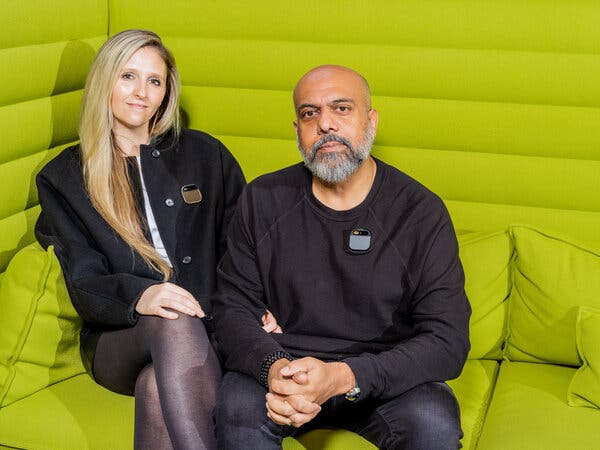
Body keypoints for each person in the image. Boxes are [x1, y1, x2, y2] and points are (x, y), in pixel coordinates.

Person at [34, 29, 278, 450]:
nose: (141, 93)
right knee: (174, 321)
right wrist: (140, 297)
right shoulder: (64, 177)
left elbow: (242, 244)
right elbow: (84, 279)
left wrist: (259, 302)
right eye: (127, 76)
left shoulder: (205, 155)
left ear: (166, 92)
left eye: (154, 81)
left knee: (155, 390)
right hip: (119, 339)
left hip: (212, 328)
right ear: (104, 81)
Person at [212, 65, 471, 450]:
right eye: (309, 113)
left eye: (342, 108)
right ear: (297, 128)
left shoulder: (420, 212)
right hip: (287, 369)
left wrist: (344, 376)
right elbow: (231, 309)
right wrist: (274, 368)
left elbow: (448, 340)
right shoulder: (262, 199)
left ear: (371, 121)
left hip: (381, 375)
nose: (325, 124)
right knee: (234, 410)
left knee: (433, 425)